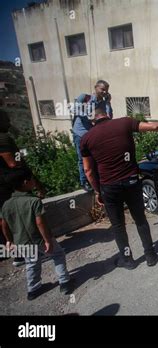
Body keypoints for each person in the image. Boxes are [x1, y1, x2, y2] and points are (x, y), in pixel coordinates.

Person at [80, 108, 158, 269]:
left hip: (109, 187)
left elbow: (88, 171)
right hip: (132, 182)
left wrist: (97, 191)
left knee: (118, 226)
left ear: (92, 121)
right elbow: (153, 127)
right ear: (108, 115)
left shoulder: (86, 138)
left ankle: (127, 260)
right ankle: (150, 255)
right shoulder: (124, 123)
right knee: (140, 219)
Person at [0, 167, 74, 300]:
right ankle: (65, 282)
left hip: (21, 242)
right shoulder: (33, 201)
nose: (34, 181)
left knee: (31, 263)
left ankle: (33, 289)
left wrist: (9, 240)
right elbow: (40, 223)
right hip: (38, 239)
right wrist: (47, 240)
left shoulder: (6, 205)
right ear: (25, 182)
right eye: (32, 179)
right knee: (57, 254)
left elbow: (3, 224)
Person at [0, 111, 45, 266]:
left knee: (7, 218)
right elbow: (13, 163)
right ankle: (31, 253)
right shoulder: (3, 138)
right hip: (10, 185)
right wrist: (21, 161)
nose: (9, 121)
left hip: (6, 186)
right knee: (26, 218)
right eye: (6, 118)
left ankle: (17, 254)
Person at [72, 80, 113, 192]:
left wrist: (108, 102)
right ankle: (84, 182)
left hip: (93, 134)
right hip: (80, 133)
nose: (105, 92)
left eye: (106, 90)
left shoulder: (103, 102)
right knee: (82, 158)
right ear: (96, 88)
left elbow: (109, 117)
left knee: (96, 157)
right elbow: (73, 109)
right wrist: (88, 116)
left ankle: (96, 179)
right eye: (102, 89)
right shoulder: (85, 98)